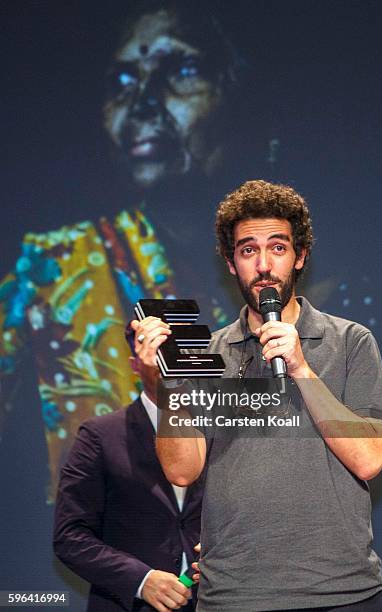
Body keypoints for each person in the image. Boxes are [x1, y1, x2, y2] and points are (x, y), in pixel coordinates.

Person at [0, 0, 258, 502]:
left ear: (246, 97)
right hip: (114, 553)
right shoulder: (56, 268)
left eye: (180, 70)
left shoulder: (308, 279)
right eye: (121, 82)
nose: (139, 103)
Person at [131, 180, 382, 611]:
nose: (264, 265)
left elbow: (368, 459)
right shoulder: (207, 354)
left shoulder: (350, 341)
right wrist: (166, 384)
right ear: (232, 264)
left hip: (343, 592)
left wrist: (301, 369)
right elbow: (182, 471)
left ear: (300, 255)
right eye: (248, 250)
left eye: (278, 247)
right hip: (235, 595)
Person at [53, 327, 203, 612]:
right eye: (157, 352)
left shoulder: (219, 427)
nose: (169, 362)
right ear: (135, 363)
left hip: (215, 601)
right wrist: (141, 580)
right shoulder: (100, 435)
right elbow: (70, 536)